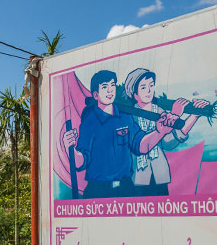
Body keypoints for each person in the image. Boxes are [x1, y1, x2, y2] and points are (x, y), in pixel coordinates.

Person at [62, 70, 178, 199]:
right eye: (105, 87)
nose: (110, 90)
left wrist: (160, 132)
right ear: (96, 95)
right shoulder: (90, 121)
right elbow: (81, 162)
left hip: (126, 188)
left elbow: (140, 146)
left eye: (112, 85)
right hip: (99, 190)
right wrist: (70, 149)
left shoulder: (125, 117)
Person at [123, 68, 208, 196]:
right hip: (137, 176)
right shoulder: (129, 116)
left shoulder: (160, 112)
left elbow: (169, 142)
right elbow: (140, 146)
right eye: (143, 87)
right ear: (134, 94)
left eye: (151, 86)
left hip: (159, 174)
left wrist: (194, 116)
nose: (149, 90)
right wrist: (173, 115)